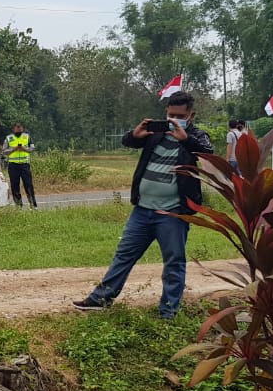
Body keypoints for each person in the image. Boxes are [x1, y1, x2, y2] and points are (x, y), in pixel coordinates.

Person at [72, 91, 213, 321]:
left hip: (172, 213)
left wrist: (185, 138)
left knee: (174, 261)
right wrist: (135, 134)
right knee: (124, 255)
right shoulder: (156, 133)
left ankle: (168, 311)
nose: (174, 119)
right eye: (170, 114)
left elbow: (207, 152)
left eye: (180, 115)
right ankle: (101, 299)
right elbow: (128, 141)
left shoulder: (195, 135)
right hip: (143, 210)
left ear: (191, 116)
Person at [3, 122, 37, 208]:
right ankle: (18, 206)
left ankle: (33, 205)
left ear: (23, 128)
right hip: (13, 166)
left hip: (25, 165)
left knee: (28, 185)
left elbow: (32, 148)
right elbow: (4, 151)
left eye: (20, 127)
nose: (18, 129)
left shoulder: (27, 137)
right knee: (15, 186)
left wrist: (24, 149)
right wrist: (14, 149)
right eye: (16, 127)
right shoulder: (9, 138)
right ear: (13, 129)